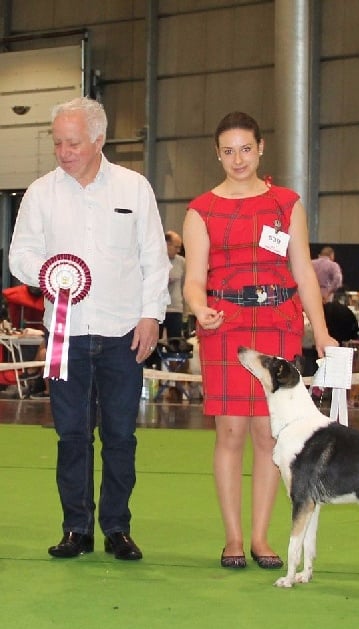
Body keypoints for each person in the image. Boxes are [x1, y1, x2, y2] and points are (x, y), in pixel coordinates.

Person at [9, 97, 170, 560]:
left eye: (73, 142)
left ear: (98, 140)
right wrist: (53, 273)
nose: (64, 151)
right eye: (58, 142)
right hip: (67, 336)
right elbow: (19, 256)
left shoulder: (134, 188)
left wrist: (151, 315)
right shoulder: (41, 193)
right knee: (72, 435)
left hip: (124, 332)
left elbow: (153, 258)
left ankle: (117, 528)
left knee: (121, 435)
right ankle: (75, 528)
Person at [183, 111, 337, 570]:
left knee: (269, 436)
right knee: (229, 432)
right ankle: (232, 538)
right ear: (217, 154)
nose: (238, 159)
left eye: (245, 149)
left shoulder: (287, 204)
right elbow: (194, 279)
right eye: (228, 151)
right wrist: (198, 307)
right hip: (224, 326)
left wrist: (322, 331)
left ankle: (261, 538)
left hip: (278, 323)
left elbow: (303, 272)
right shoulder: (200, 210)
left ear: (261, 148)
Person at [161, 230, 186, 340]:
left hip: (176, 309)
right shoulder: (155, 260)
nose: (178, 250)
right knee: (154, 346)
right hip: (159, 309)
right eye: (176, 247)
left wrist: (185, 311)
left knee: (175, 343)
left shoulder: (182, 262)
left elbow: (184, 287)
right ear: (166, 244)